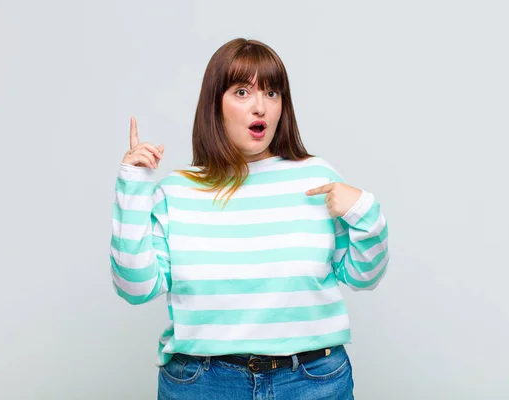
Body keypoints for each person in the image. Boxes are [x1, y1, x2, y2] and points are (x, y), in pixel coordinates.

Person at [110, 38, 390, 400]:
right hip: (203, 384)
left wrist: (366, 212)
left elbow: (364, 276)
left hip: (312, 383)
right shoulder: (175, 192)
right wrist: (133, 186)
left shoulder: (315, 178)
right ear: (215, 105)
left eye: (272, 93)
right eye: (242, 92)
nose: (260, 106)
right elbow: (135, 288)